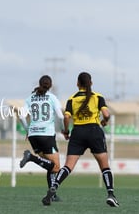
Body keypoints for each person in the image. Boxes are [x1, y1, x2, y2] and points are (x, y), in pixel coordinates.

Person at [42, 72, 120, 207]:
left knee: (68, 166)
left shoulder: (72, 99)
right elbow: (106, 114)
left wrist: (66, 131)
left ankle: (54, 186)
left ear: (77, 83)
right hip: (95, 131)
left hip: (78, 132)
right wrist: (104, 121)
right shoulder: (98, 97)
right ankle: (111, 194)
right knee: (104, 167)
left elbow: (66, 117)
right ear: (91, 83)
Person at [18, 75, 63, 201]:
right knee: (56, 167)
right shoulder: (52, 98)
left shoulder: (30, 98)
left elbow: (21, 116)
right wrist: (64, 128)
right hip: (47, 135)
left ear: (39, 83)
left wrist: (27, 130)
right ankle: (31, 157)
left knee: (50, 166)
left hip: (33, 135)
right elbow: (60, 116)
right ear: (51, 85)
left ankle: (52, 195)